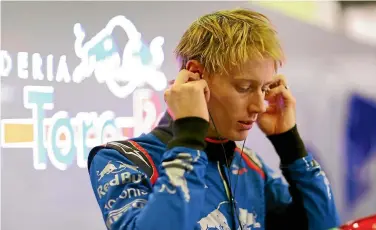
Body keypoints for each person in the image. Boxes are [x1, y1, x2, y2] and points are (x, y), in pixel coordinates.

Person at [87, 8, 340, 230]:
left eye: (264, 89)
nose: (258, 106)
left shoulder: (248, 165)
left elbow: (323, 224)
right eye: (243, 87)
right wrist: (189, 135)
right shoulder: (122, 159)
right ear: (196, 75)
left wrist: (289, 143)